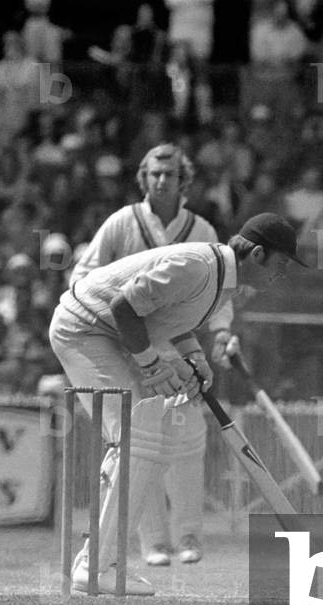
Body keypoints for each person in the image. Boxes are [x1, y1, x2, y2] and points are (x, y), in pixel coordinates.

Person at [50, 212, 306, 595]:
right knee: (137, 436)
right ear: (256, 254)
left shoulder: (219, 278)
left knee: (152, 443)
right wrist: (153, 364)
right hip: (83, 329)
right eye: (281, 264)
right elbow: (124, 307)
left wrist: (192, 356)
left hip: (107, 334)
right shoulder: (198, 267)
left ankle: (104, 558)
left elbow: (166, 315)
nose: (281, 275)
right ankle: (95, 565)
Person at [67, 143, 236, 568]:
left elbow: (219, 294)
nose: (162, 181)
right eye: (154, 174)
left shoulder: (200, 230)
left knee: (187, 440)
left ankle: (189, 534)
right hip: (122, 341)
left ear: (185, 181)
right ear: (144, 178)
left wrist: (221, 334)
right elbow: (82, 276)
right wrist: (112, 316)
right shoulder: (122, 223)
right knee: (140, 439)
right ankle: (153, 541)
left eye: (170, 174)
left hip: (175, 343)